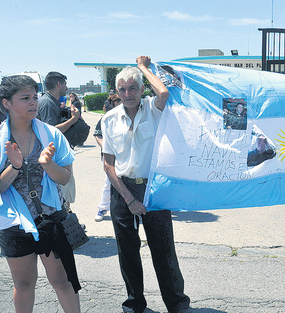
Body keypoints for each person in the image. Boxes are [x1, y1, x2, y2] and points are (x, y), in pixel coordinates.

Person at [101, 56, 190, 313]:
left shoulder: (153, 109)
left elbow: (162, 91)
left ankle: (177, 303)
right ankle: (134, 303)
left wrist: (143, 68)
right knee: (127, 251)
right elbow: (108, 164)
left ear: (141, 90)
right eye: (122, 89)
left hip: (153, 190)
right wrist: (129, 199)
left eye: (133, 88)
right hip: (122, 190)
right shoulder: (109, 119)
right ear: (116, 92)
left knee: (163, 251)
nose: (127, 94)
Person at [0, 75, 80, 312]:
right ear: (6, 103)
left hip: (51, 218)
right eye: (25, 98)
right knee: (23, 284)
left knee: (63, 280)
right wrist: (15, 166)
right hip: (14, 224)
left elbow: (65, 178)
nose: (33, 102)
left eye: (34, 96)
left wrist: (48, 164)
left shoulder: (51, 135)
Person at [37, 72, 80, 210]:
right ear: (58, 84)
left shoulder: (51, 101)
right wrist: (73, 119)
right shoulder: (48, 103)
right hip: (54, 158)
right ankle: (65, 221)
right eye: (65, 84)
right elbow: (52, 131)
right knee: (63, 192)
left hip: (57, 155)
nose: (67, 88)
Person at [93, 94, 121, 222]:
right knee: (109, 182)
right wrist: (107, 148)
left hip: (126, 156)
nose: (119, 103)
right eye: (117, 101)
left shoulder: (132, 114)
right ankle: (103, 208)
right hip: (110, 157)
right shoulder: (107, 117)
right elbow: (97, 135)